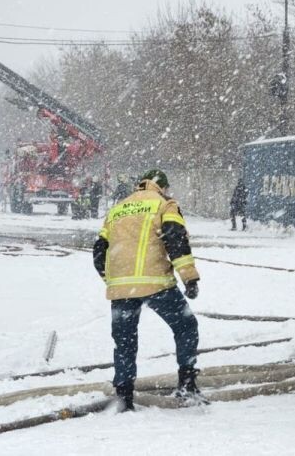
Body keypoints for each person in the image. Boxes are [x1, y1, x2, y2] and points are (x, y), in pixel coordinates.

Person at [93, 169, 205, 412]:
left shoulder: (117, 209)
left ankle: (124, 396)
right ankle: (187, 385)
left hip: (121, 289)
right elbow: (176, 240)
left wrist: (113, 280)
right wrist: (189, 278)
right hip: (157, 284)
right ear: (162, 187)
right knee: (186, 326)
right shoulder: (164, 205)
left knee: (124, 342)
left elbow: (99, 251)